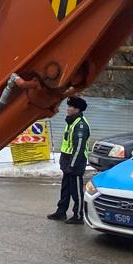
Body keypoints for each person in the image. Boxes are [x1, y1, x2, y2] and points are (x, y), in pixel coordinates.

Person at [48, 96, 90, 224]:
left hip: (76, 163)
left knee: (76, 191)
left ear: (77, 109)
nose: (68, 109)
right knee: (65, 189)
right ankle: (61, 211)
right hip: (68, 162)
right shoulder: (71, 122)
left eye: (71, 107)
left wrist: (72, 165)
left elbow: (78, 148)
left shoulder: (81, 125)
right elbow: (68, 144)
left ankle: (78, 215)